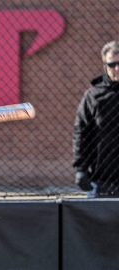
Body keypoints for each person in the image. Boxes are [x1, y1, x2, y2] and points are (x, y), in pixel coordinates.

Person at [73, 40, 119, 197]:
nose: (117, 68)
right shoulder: (93, 96)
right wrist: (80, 168)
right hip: (101, 178)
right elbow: (81, 132)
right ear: (105, 66)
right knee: (98, 220)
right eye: (112, 65)